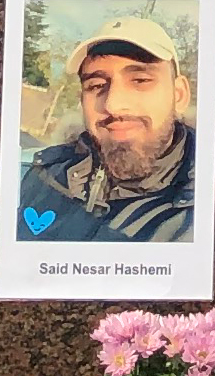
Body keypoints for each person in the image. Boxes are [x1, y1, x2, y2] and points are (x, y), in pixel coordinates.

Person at [19, 15, 198, 244]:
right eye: (96, 86)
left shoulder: (214, 204)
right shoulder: (44, 178)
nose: (112, 105)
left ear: (179, 95)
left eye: (140, 81)